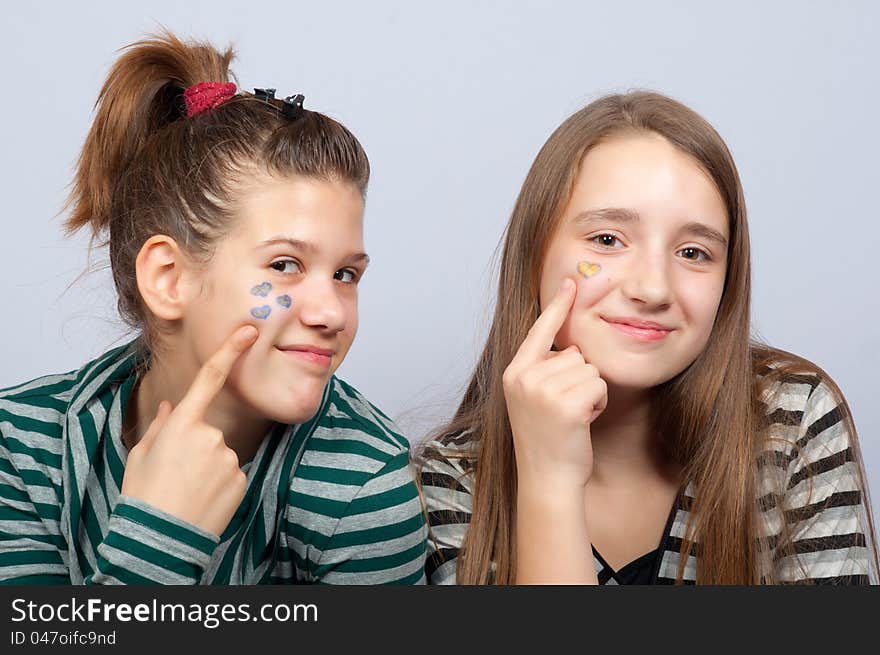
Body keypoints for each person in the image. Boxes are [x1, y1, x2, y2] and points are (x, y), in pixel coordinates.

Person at [0, 31, 426, 584]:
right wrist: (161, 533)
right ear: (168, 277)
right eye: (285, 265)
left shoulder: (362, 485)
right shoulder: (22, 448)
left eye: (345, 275)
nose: (332, 314)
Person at [417, 91, 878, 585]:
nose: (653, 288)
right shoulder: (453, 481)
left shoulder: (789, 421)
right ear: (535, 257)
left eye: (694, 252)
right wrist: (549, 480)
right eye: (608, 240)